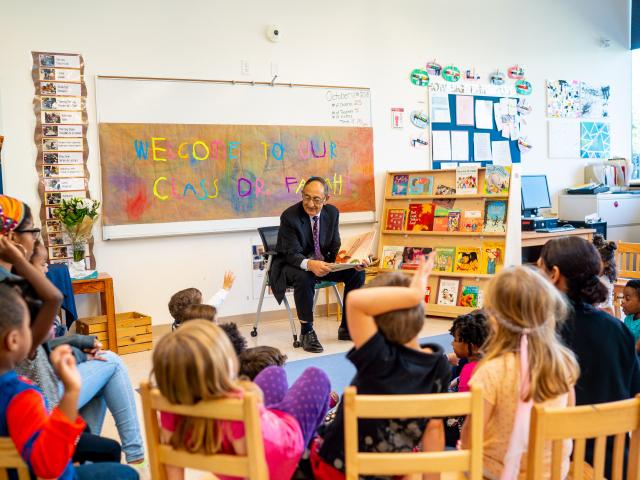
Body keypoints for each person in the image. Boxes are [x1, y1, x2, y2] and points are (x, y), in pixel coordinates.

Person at [2, 197, 146, 466]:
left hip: (38, 392)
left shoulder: (14, 287)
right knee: (112, 363)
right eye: (33, 231)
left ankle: (90, 456)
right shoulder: (12, 293)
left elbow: (42, 346)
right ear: (11, 237)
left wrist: (79, 348)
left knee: (103, 365)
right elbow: (41, 335)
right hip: (40, 401)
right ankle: (135, 456)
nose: (36, 238)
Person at [309, 256, 450, 479]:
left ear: (372, 321)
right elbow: (434, 431)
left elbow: (355, 300)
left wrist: (411, 294)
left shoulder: (377, 356)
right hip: (391, 470)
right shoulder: (439, 364)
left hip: (339, 468)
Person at [153, 320, 331, 480]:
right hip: (283, 450)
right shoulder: (235, 408)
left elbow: (171, 459)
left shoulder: (170, 407)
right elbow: (249, 467)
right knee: (316, 375)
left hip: (264, 429)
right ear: (223, 367)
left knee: (273, 373)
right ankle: (310, 449)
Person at [0, 283, 137, 479]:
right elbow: (49, 468)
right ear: (13, 340)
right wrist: (72, 391)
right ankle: (136, 456)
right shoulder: (21, 396)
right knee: (126, 475)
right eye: (26, 327)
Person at [461, 266, 579, 479]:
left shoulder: (490, 371)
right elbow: (567, 427)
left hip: (496, 474)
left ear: (495, 320)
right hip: (551, 474)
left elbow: (470, 438)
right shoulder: (563, 365)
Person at [538, 236, 640, 476]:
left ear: (553, 274)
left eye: (538, 268)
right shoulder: (618, 329)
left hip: (556, 463)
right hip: (613, 464)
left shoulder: (540, 332)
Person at [270, 176, 369, 353]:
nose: (310, 203)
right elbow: (291, 254)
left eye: (316, 199)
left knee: (357, 273)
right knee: (305, 276)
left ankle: (348, 327)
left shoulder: (332, 213)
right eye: (306, 197)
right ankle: (307, 332)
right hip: (293, 265)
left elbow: (335, 245)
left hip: (324, 263)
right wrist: (310, 264)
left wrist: (352, 260)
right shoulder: (289, 217)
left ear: (326, 199)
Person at [445, 310, 489, 447]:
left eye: (457, 340)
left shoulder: (469, 370)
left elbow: (462, 408)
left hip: (467, 432)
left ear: (474, 346)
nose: (452, 344)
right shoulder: (488, 364)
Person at [168, 271, 235, 330]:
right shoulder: (197, 330)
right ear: (193, 312)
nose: (204, 306)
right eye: (201, 304)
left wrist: (224, 289)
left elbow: (212, 303)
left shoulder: (177, 324)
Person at [593, 234, 617, 316]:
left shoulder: (604, 282)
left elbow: (601, 306)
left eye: (596, 261)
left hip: (605, 313)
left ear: (606, 264)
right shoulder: (596, 276)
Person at [621, 279, 640, 352]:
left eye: (627, 299)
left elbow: (637, 348)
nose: (622, 301)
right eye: (623, 297)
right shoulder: (628, 318)